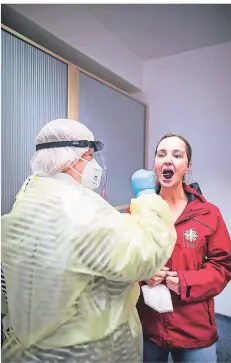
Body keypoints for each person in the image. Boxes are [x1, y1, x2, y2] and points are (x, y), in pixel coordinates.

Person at [1, 119, 177, 363]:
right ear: (72, 159)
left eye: (177, 155)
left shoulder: (28, 198)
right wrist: (149, 200)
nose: (94, 165)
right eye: (90, 156)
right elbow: (145, 257)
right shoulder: (81, 210)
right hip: (82, 352)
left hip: (27, 349)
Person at [136, 133, 231, 363]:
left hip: (194, 331)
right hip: (148, 326)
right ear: (155, 164)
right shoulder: (139, 209)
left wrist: (185, 281)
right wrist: (143, 275)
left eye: (177, 155)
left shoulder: (209, 213)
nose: (168, 159)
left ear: (187, 166)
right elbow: (128, 259)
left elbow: (223, 266)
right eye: (161, 154)